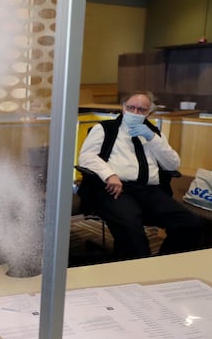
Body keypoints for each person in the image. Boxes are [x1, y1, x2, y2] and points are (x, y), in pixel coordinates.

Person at [77, 91, 203, 260]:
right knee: (132, 231)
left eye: (141, 110)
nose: (135, 113)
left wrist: (152, 138)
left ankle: (167, 263)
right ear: (123, 108)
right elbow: (86, 157)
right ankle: (135, 270)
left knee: (191, 223)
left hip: (149, 190)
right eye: (131, 108)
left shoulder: (153, 134)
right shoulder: (105, 129)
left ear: (148, 113)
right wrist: (109, 175)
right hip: (116, 189)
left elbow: (172, 165)